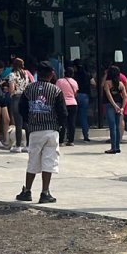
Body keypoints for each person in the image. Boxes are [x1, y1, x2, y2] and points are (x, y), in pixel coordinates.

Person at [16, 62, 67, 204]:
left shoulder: (29, 89)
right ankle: (45, 192)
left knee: (33, 160)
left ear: (38, 73)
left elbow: (22, 108)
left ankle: (27, 191)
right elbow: (62, 112)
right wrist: (61, 127)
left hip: (35, 130)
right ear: (51, 74)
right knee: (49, 161)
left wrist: (28, 121)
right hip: (51, 129)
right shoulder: (56, 90)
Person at [101, 65, 127, 155]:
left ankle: (113, 147)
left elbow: (109, 96)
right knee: (117, 126)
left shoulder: (107, 83)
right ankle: (117, 147)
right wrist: (122, 107)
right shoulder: (121, 84)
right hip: (120, 105)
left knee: (112, 127)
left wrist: (114, 105)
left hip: (110, 106)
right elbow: (125, 97)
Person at [6, 57, 31, 153]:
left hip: (16, 98)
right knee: (26, 122)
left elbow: (12, 89)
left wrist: (10, 93)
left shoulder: (12, 75)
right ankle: (28, 145)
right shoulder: (26, 74)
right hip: (25, 98)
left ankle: (18, 145)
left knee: (18, 123)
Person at [55, 67, 79, 146]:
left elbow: (56, 91)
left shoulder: (59, 81)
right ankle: (71, 140)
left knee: (62, 122)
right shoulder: (74, 82)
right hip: (73, 103)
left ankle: (61, 140)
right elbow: (75, 93)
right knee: (72, 122)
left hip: (63, 103)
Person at [73, 60, 93, 142]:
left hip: (76, 95)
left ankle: (70, 135)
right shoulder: (88, 74)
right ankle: (86, 135)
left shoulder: (74, 75)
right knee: (83, 116)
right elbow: (94, 83)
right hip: (85, 96)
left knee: (72, 116)